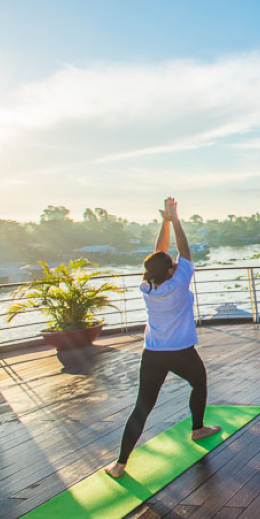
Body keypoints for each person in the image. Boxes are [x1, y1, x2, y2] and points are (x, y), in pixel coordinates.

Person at [106, 198, 220, 478]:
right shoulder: (179, 283)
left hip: (153, 353)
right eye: (171, 264)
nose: (173, 263)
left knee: (142, 407)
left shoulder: (147, 286)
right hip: (181, 351)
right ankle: (198, 429)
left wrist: (165, 221)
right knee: (199, 383)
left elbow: (158, 253)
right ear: (170, 271)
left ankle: (120, 463)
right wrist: (176, 219)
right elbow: (183, 251)